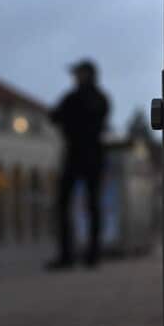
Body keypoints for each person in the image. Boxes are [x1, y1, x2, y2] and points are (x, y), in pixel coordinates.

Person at [47, 59, 110, 270]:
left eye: (78, 74)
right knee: (86, 205)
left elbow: (56, 116)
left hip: (82, 154)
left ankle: (76, 255)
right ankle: (87, 255)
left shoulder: (80, 98)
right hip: (86, 154)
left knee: (79, 205)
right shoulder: (97, 98)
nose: (75, 78)